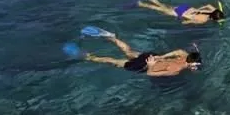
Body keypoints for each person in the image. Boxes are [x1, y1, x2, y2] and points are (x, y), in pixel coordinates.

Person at [67, 26, 202, 77]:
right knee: (113, 61)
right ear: (191, 64)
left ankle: (112, 37)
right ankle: (88, 57)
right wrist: (150, 65)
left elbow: (178, 50)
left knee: (129, 51)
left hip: (151, 56)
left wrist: (161, 56)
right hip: (145, 65)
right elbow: (150, 74)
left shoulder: (184, 55)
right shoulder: (175, 70)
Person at [136, 0, 225, 25]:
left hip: (185, 7)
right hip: (181, 13)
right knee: (160, 9)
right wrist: (183, 21)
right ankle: (141, 4)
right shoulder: (203, 20)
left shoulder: (214, 10)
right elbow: (188, 21)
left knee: (165, 7)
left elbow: (208, 5)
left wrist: (198, 9)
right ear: (213, 19)